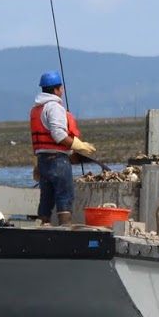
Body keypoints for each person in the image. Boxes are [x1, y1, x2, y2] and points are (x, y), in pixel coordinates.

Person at [30, 70, 97, 226]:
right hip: (58, 161)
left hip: (43, 160)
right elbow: (58, 135)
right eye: (61, 87)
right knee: (64, 196)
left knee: (46, 197)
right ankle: (65, 229)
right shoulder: (54, 107)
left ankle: (41, 227)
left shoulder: (36, 109)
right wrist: (79, 146)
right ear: (56, 90)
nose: (63, 90)